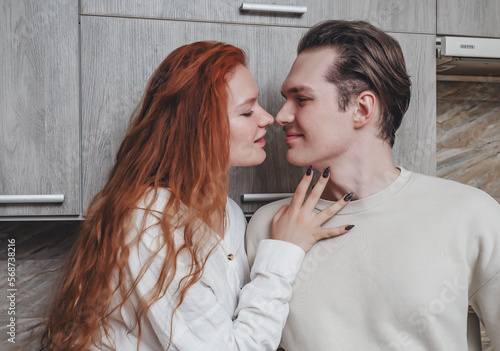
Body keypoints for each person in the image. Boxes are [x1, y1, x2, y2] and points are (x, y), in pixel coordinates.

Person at [39, 41, 354, 351]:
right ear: (200, 127)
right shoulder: (148, 223)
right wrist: (283, 251)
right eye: (247, 112)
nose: (267, 118)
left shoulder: (228, 213)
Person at [246, 20, 500, 350]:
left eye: (302, 99)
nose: (280, 115)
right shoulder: (268, 227)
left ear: (362, 108)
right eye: (286, 98)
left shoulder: (470, 214)